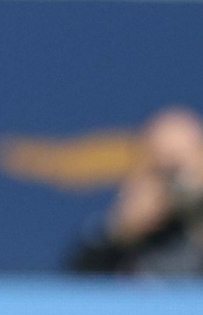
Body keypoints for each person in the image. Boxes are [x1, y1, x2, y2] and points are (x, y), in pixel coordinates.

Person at [68, 106, 203, 275]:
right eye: (160, 168)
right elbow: (77, 281)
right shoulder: (128, 229)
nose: (173, 182)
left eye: (180, 166)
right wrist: (120, 232)